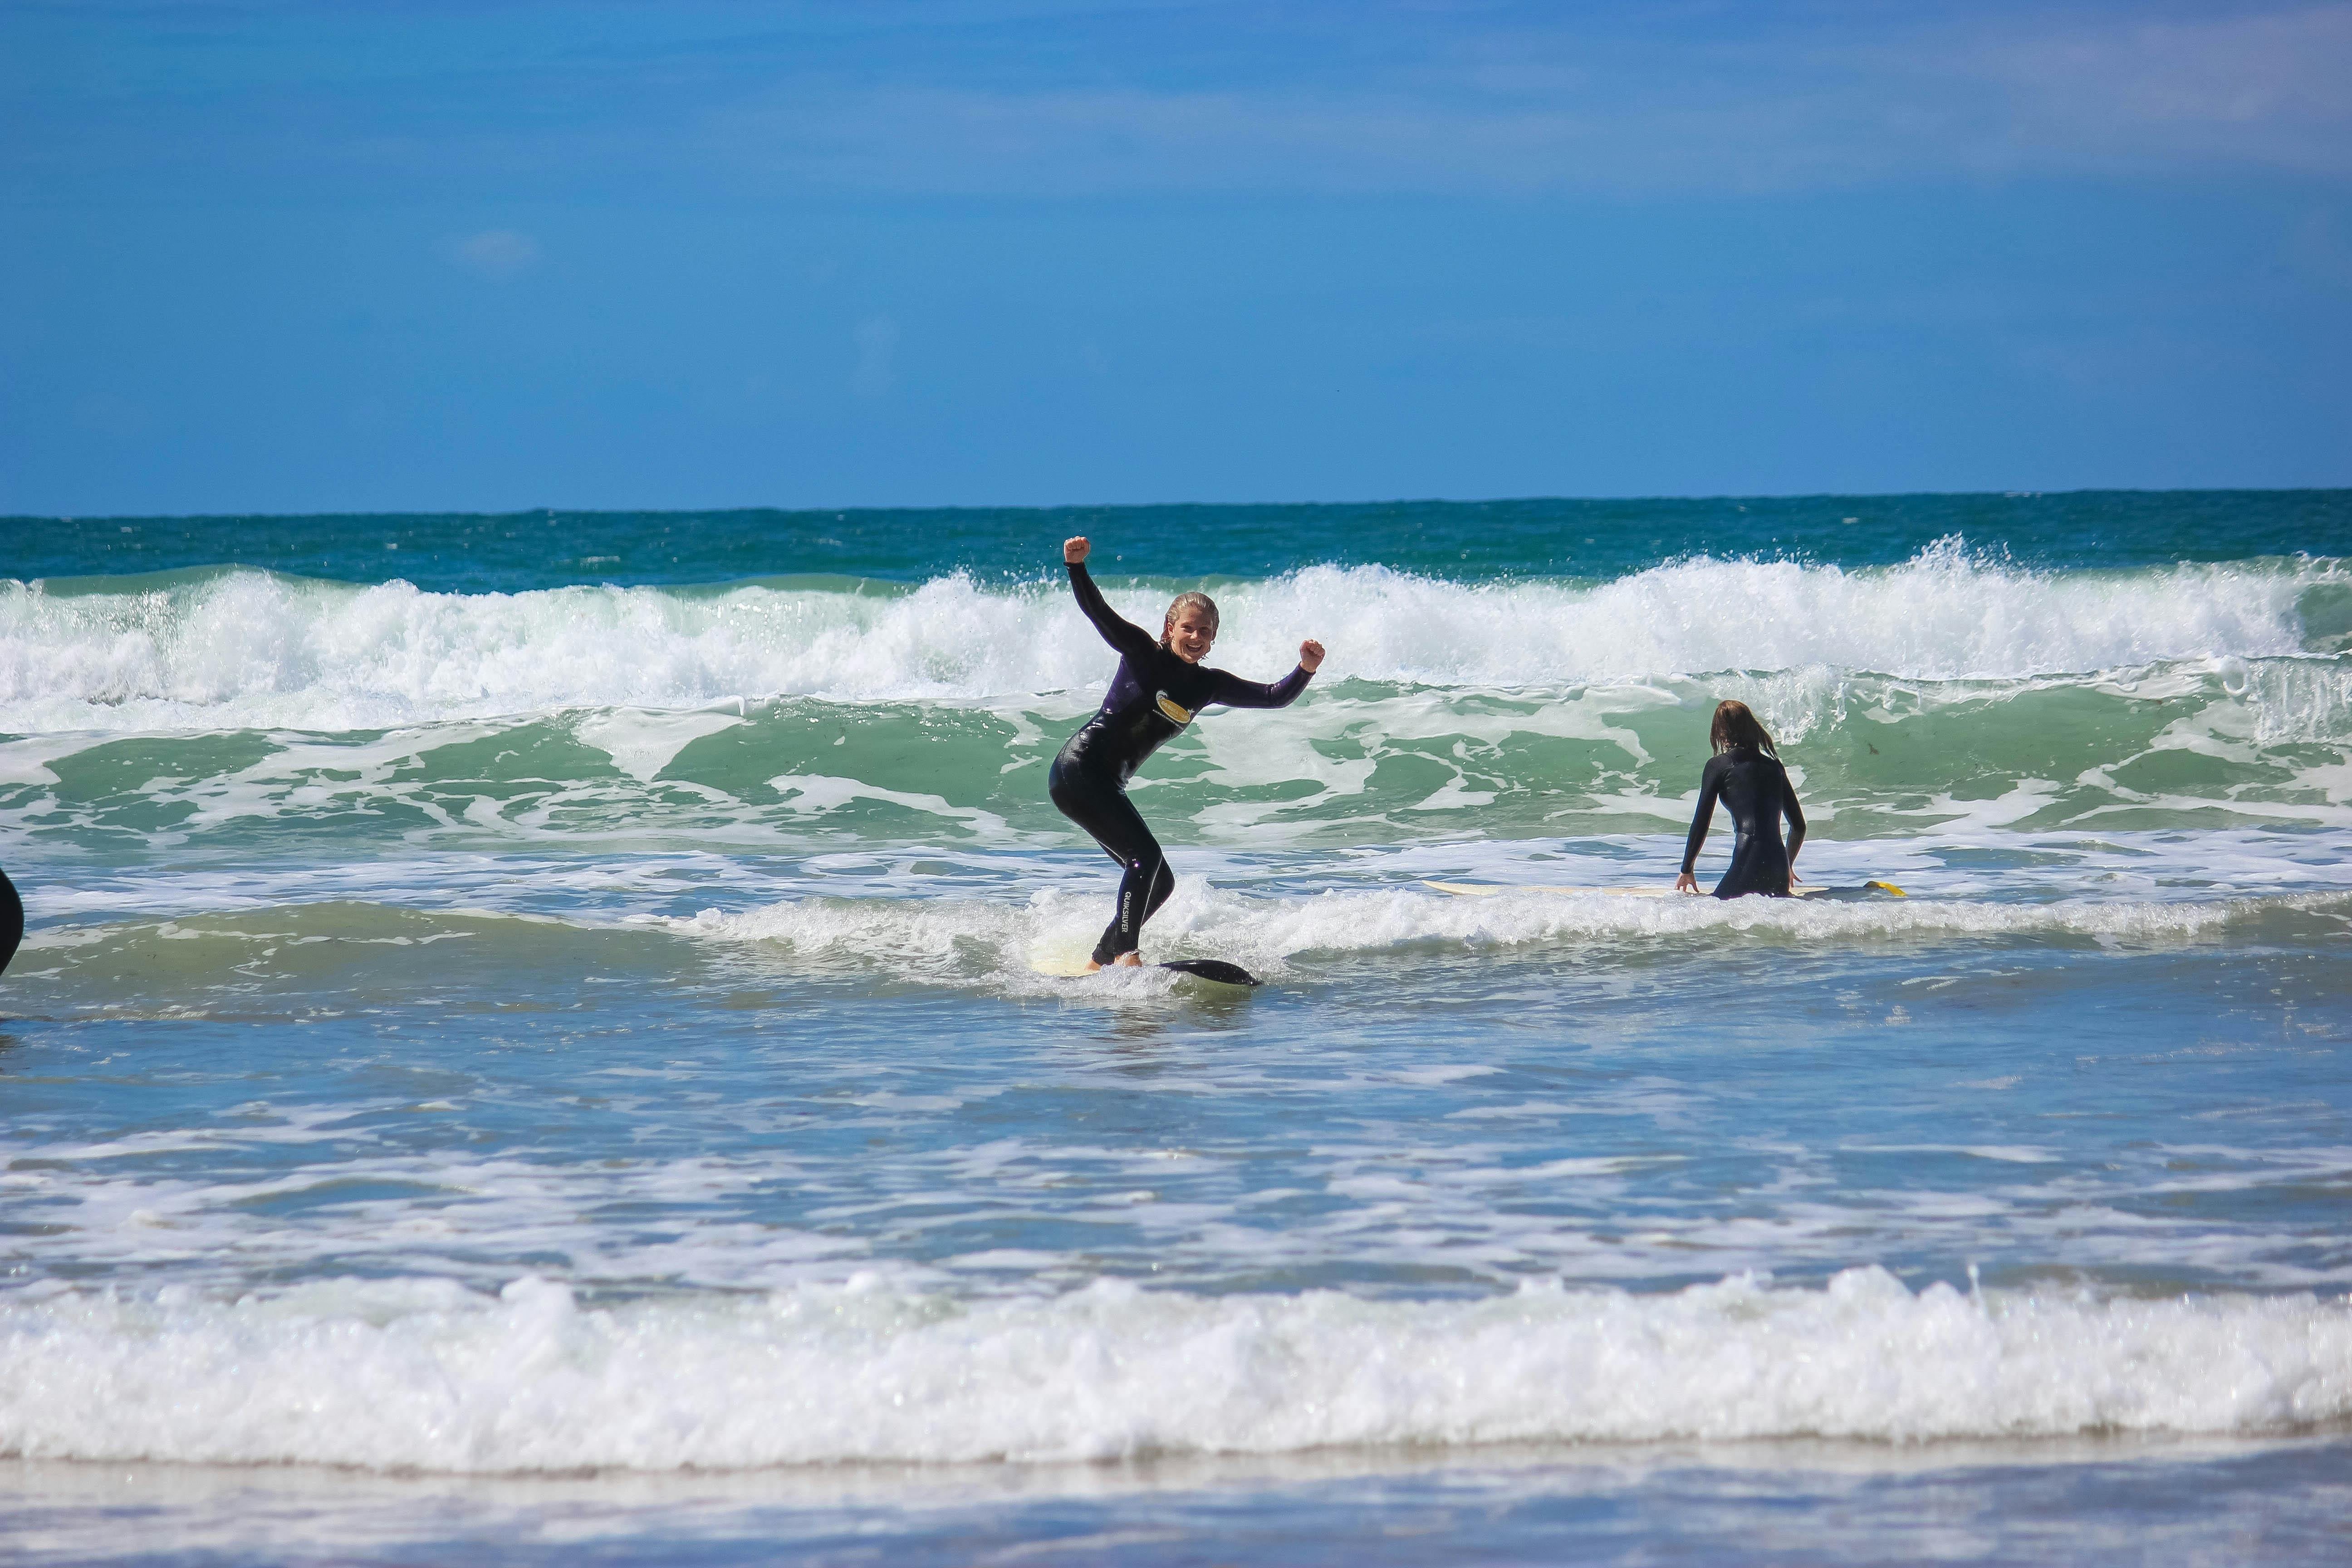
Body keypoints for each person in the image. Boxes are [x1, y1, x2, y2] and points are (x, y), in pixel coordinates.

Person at [1050, 536, 1324, 971]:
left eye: (1205, 631)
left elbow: (1273, 697)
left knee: (1160, 883)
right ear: (1169, 629)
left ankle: (1099, 963)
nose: (1196, 637)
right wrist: (1076, 567)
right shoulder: (1142, 652)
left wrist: (1305, 669)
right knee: (1146, 859)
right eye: (1188, 628)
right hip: (1079, 769)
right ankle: (1126, 955)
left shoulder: (1207, 685)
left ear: (1214, 640)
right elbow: (1098, 613)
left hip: (1107, 784)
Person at [1675, 700, 1806, 898]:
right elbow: (1799, 826)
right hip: (1778, 865)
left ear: (1720, 732)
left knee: (1712, 916)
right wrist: (1787, 865)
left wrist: (1687, 869)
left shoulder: (1719, 765)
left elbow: (1701, 823)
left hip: (1749, 857)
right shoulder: (1774, 766)